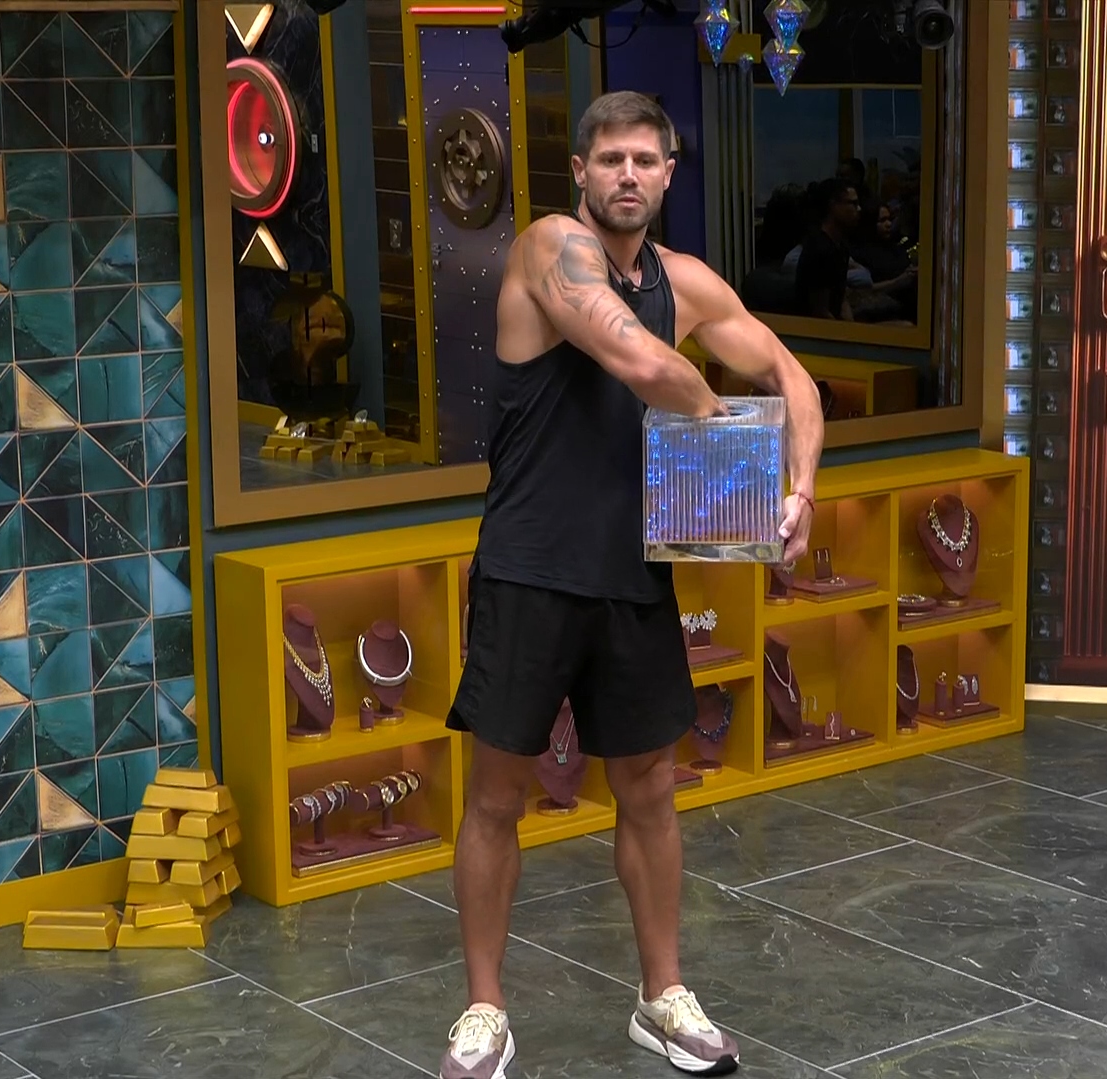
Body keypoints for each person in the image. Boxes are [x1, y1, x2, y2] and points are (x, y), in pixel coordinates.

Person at [440, 90, 823, 1079]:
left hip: (631, 572)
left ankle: (662, 996)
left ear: (667, 173)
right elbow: (640, 360)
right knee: (497, 794)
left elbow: (790, 375)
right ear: (579, 170)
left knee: (649, 786)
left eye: (644, 160)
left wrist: (798, 488)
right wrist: (732, 455)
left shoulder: (684, 280)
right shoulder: (549, 248)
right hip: (527, 567)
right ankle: (483, 1010)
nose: (626, 175)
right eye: (608, 158)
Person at [792, 177, 857, 319]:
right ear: (833, 205)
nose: (858, 209)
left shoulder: (840, 246)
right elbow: (820, 312)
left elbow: (840, 299)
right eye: (852, 203)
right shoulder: (820, 249)